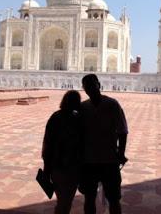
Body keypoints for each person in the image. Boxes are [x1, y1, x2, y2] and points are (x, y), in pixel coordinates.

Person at [79, 74, 128, 214]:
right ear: (84, 89)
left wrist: (121, 153)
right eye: (87, 86)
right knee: (89, 197)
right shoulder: (83, 107)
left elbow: (123, 131)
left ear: (99, 85)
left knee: (113, 199)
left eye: (92, 85)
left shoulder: (112, 104)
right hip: (89, 160)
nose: (90, 88)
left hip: (109, 159)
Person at [42, 90, 81, 214]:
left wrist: (46, 169)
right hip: (70, 166)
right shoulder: (77, 119)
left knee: (63, 201)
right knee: (66, 201)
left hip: (57, 165)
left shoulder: (56, 117)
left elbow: (47, 144)